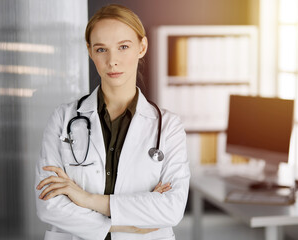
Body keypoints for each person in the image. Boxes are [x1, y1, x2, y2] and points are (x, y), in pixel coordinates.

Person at [35, 4, 190, 240]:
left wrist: (86, 199)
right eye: (101, 50)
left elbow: (171, 209)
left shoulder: (168, 127)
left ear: (142, 47)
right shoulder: (62, 119)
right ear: (90, 51)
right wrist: (126, 226)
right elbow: (49, 205)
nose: (112, 61)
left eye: (123, 47)